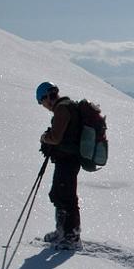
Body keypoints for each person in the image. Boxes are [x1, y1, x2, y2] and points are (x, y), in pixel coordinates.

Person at [36, 81, 82, 247]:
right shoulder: (67, 106)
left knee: (65, 196)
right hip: (70, 158)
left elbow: (56, 138)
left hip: (67, 159)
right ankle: (64, 232)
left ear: (46, 98)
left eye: (42, 102)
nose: (44, 106)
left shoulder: (62, 109)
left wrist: (44, 138)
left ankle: (70, 236)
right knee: (59, 194)